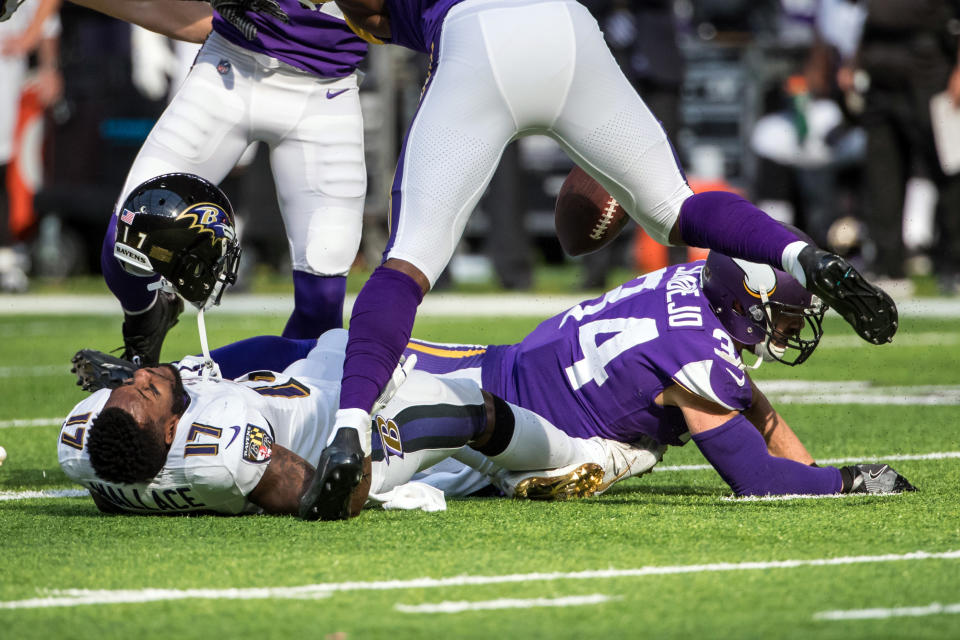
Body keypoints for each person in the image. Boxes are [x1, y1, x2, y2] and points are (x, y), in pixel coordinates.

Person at [229, 0, 902, 519]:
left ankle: (349, 428)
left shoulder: (693, 314)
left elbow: (368, 12)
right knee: (673, 205)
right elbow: (758, 442)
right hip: (568, 24)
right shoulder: (696, 309)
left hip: (477, 36)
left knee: (407, 263)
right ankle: (798, 251)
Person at [404, 249, 916, 498]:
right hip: (491, 416)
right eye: (783, 312)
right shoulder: (697, 359)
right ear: (745, 303)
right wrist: (849, 481)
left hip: (497, 365)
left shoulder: (695, 281)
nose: (790, 324)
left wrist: (807, 470)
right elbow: (756, 480)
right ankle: (581, 460)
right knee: (349, 418)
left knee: (346, 362)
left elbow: (748, 402)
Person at [44, 0, 370, 365]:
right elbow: (184, 16)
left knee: (322, 306)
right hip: (230, 67)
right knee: (127, 237)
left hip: (327, 92)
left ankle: (229, 396)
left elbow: (404, 20)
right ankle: (149, 316)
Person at [60, 328, 654, 517]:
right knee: (468, 408)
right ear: (168, 432)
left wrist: (136, 378)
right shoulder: (220, 452)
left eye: (129, 388)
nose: (136, 380)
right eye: (145, 391)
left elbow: (119, 461)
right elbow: (325, 500)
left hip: (306, 386)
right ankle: (588, 453)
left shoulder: (99, 444)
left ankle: (494, 476)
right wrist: (357, 443)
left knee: (343, 336)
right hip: (350, 432)